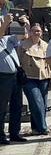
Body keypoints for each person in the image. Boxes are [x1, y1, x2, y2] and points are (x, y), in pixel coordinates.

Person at [18, 23, 51, 135]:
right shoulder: (23, 45)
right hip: (28, 77)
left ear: (42, 33)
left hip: (44, 76)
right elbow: (18, 61)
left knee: (42, 103)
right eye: (34, 30)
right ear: (30, 32)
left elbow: (50, 62)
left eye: (38, 31)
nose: (36, 32)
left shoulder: (46, 45)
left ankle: (35, 128)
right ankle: (43, 127)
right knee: (36, 101)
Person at [0, 14, 27, 144]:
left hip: (15, 76)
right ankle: (0, 134)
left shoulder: (7, 39)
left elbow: (23, 36)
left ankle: (14, 133)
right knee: (2, 107)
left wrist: (25, 23)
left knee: (17, 105)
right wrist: (5, 23)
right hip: (3, 77)